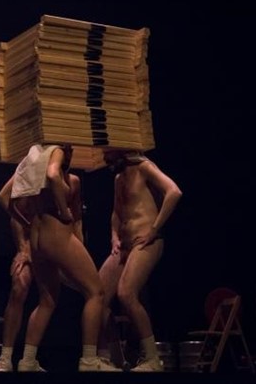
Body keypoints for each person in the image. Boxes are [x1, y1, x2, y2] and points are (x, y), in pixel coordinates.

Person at [10, 143, 119, 372]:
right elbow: (52, 174)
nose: (69, 153)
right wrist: (62, 210)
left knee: (47, 300)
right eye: (67, 148)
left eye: (70, 150)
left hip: (38, 239)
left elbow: (5, 198)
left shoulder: (34, 164)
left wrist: (27, 224)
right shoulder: (55, 151)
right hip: (57, 234)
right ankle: (89, 360)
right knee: (96, 292)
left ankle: (27, 361)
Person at [97, 149, 182, 372]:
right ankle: (117, 360)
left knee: (126, 293)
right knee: (96, 297)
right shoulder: (118, 178)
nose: (104, 158)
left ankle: (153, 359)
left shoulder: (144, 167)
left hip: (146, 242)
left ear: (121, 149)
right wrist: (114, 236)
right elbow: (117, 213)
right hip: (124, 246)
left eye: (107, 152)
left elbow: (174, 192)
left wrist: (154, 229)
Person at [0, 179, 34, 372]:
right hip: (29, 241)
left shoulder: (60, 175)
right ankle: (5, 357)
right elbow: (6, 201)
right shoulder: (27, 170)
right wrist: (23, 248)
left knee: (90, 289)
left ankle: (30, 358)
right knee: (19, 284)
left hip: (52, 240)